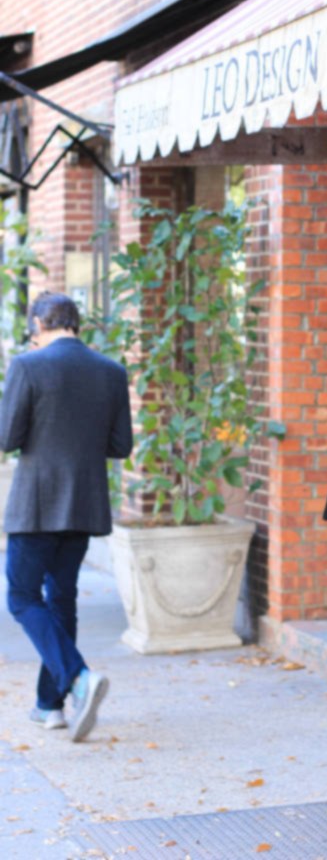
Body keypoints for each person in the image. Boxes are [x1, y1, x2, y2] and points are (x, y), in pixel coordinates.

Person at [0, 292, 133, 741]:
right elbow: (120, 446)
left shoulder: (27, 366)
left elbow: (7, 436)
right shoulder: (111, 371)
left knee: (20, 596)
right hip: (83, 502)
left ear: (39, 322)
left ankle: (78, 678)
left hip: (36, 504)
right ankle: (49, 705)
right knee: (61, 600)